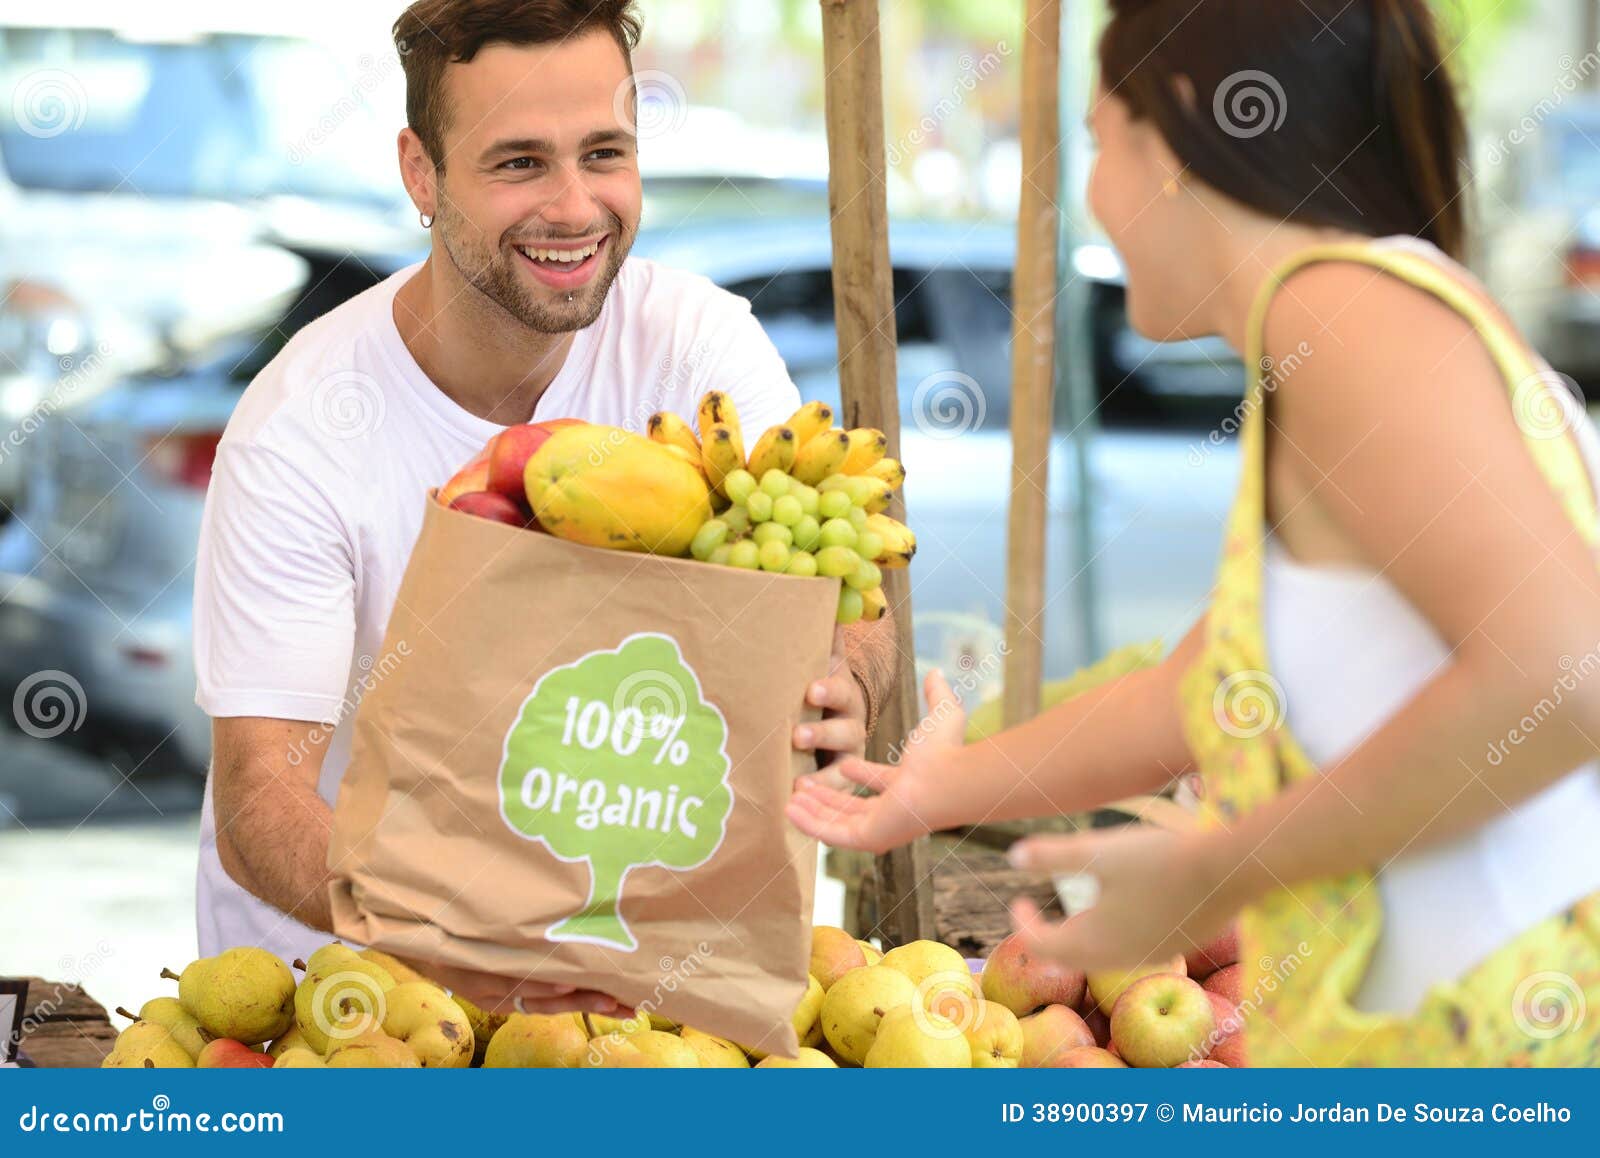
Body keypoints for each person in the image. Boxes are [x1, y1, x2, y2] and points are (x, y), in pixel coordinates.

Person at [789, 0, 1600, 1066]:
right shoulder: (1357, 323)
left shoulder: (1348, 310)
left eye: (1093, 141)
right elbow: (1199, 692)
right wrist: (937, 790)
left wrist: (1220, 870)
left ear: (1175, 128)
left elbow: (1565, 676)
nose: (1089, 194)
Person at [194, 0, 895, 1016]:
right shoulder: (302, 429)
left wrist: (849, 684)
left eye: (604, 153)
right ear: (420, 174)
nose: (574, 206)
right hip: (350, 1002)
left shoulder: (697, 348)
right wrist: (471, 952)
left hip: (640, 994)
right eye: (518, 163)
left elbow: (847, 610)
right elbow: (263, 801)